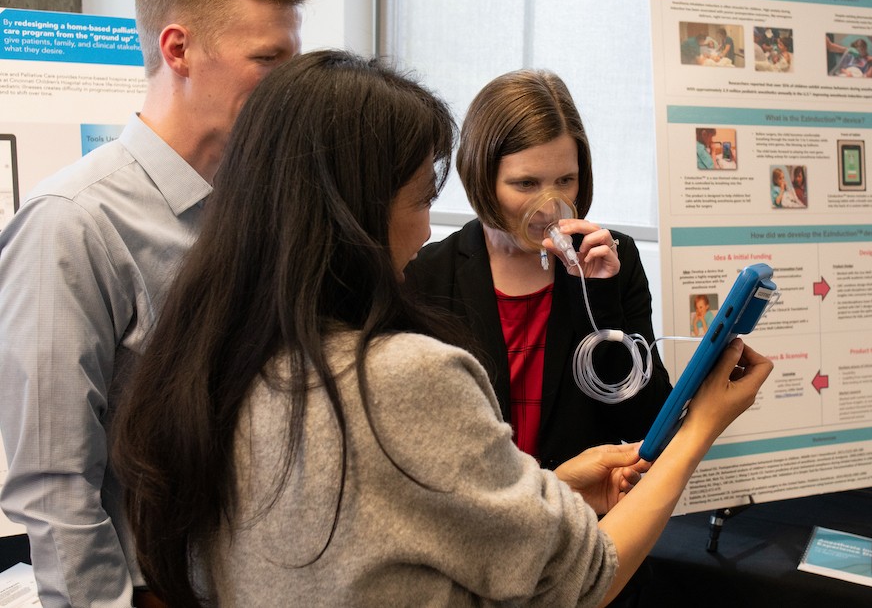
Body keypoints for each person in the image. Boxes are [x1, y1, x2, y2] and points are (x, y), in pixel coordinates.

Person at [110, 49, 774, 607]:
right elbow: (579, 572)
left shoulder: (208, 354)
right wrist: (704, 424)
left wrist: (557, 483)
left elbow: (395, 513)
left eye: (566, 179)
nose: (550, 202)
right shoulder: (407, 355)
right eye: (420, 199)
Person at [0, 0, 312, 606]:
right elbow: (54, 487)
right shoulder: (72, 224)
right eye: (269, 59)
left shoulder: (264, 211)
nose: (292, 86)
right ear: (178, 49)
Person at [405, 69, 673, 470]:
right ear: (481, 177)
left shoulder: (615, 259)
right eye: (526, 184)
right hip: (476, 516)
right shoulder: (429, 275)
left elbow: (645, 423)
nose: (550, 206)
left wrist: (599, 300)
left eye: (566, 180)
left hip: (583, 516)